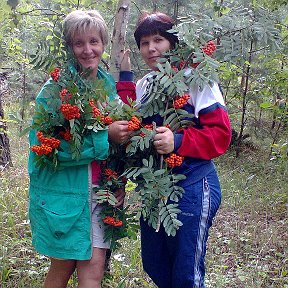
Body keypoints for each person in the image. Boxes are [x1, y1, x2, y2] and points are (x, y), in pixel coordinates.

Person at [119, 12, 231, 288]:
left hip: (192, 184)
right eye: (144, 42)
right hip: (156, 190)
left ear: (173, 42)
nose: (151, 48)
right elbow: (131, 120)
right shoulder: (146, 85)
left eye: (159, 39)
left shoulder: (195, 79)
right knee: (155, 265)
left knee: (185, 275)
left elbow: (220, 134)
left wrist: (178, 141)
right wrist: (125, 77)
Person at [28, 10, 132, 288]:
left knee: (94, 268)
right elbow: (43, 147)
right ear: (69, 47)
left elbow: (120, 140)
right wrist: (103, 136)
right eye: (79, 43)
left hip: (100, 192)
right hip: (66, 196)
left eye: (94, 41)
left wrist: (117, 182)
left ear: (103, 43)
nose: (88, 50)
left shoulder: (106, 86)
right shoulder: (55, 91)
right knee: (62, 267)